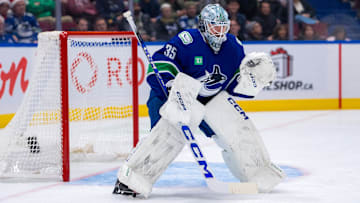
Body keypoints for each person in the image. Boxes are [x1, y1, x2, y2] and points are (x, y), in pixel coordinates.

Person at [112, 4, 286, 198]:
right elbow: (161, 63)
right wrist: (170, 84)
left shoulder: (234, 47)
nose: (220, 32)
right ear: (203, 26)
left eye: (223, 27)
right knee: (165, 137)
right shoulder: (187, 41)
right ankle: (132, 179)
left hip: (209, 100)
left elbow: (234, 84)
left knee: (237, 129)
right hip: (172, 96)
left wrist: (252, 81)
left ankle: (258, 172)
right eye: (214, 27)